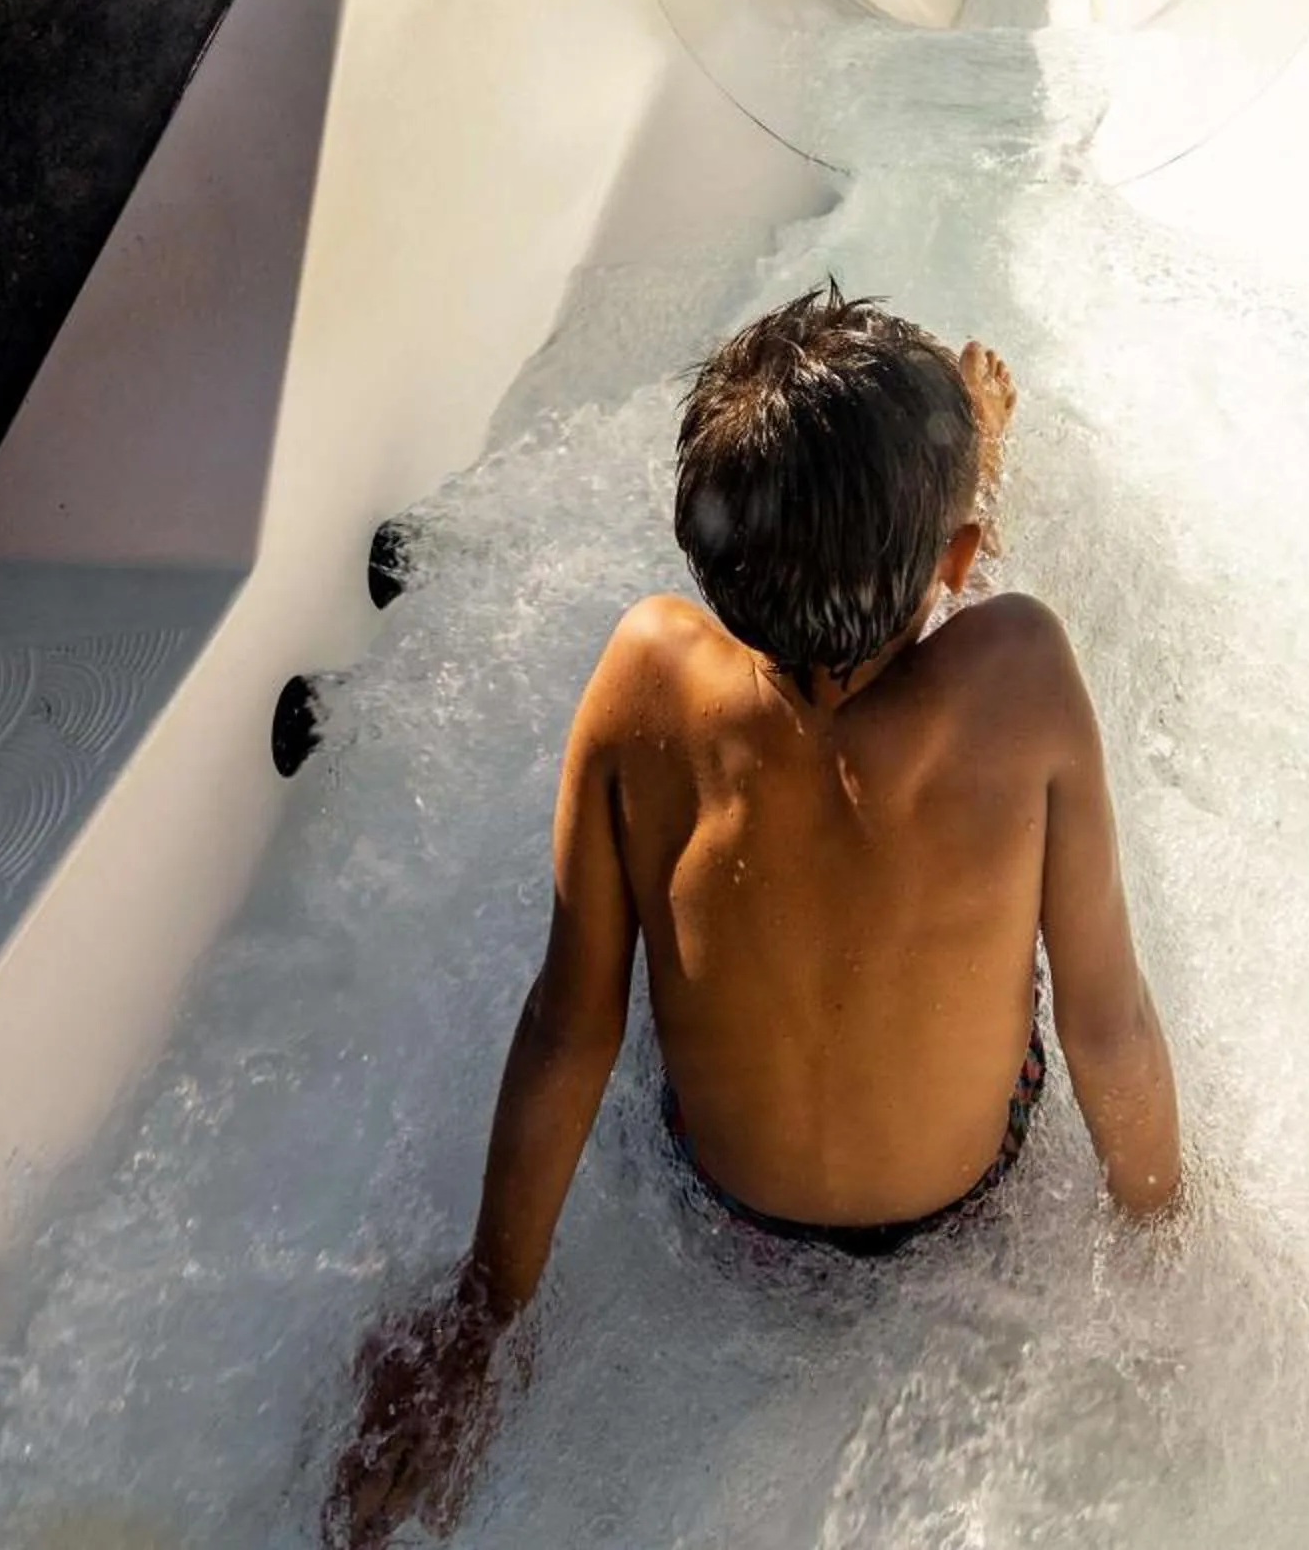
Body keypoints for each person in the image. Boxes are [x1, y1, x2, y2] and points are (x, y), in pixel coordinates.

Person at [326, 286, 1179, 1546]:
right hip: (963, 1195)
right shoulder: (1022, 674)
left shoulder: (643, 674)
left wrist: (483, 1315)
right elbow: (1106, 1026)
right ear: (958, 561)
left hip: (724, 1200)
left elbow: (572, 1030)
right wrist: (1162, 1257)